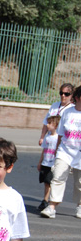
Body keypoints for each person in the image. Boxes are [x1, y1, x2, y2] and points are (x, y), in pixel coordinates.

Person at [41, 85, 81, 220]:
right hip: (65, 151)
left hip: (80, 154)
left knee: (80, 183)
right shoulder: (67, 113)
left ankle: (80, 205)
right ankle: (51, 207)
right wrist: (57, 151)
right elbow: (60, 134)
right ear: (77, 98)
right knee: (57, 177)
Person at [36, 115, 60, 211]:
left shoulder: (58, 138)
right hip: (45, 163)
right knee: (46, 183)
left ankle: (48, 201)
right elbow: (44, 150)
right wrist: (40, 162)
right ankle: (46, 199)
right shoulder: (47, 137)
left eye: (50, 123)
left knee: (50, 182)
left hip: (53, 164)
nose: (47, 125)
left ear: (56, 125)